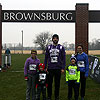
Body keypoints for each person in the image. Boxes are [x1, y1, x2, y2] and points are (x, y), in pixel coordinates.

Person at [44, 34, 66, 100]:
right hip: (50, 68)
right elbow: (46, 58)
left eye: (56, 38)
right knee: (49, 83)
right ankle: (49, 96)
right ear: (52, 39)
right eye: (54, 38)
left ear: (58, 39)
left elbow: (63, 58)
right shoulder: (48, 47)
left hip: (58, 68)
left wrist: (62, 68)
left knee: (57, 84)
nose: (55, 39)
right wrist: (45, 67)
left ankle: (56, 96)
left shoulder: (61, 47)